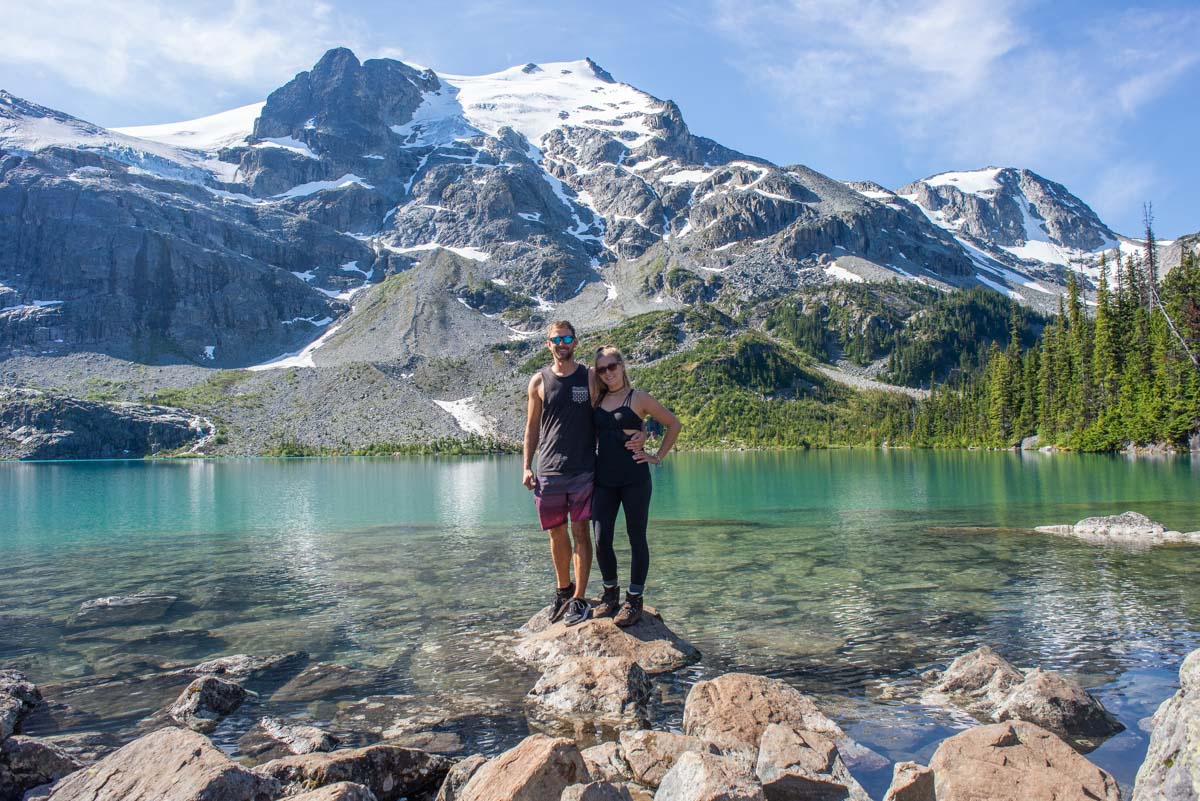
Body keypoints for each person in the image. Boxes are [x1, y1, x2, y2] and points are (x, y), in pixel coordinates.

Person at [523, 321, 644, 626]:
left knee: (580, 533)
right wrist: (526, 465)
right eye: (556, 339)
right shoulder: (538, 381)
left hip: (584, 470)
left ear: (575, 343)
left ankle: (579, 599)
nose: (562, 343)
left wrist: (643, 432)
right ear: (548, 344)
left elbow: (623, 401)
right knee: (555, 532)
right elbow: (532, 427)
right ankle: (562, 591)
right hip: (548, 469)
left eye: (567, 338)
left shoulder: (590, 376)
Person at [590, 345, 681, 627]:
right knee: (601, 538)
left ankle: (634, 600)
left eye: (612, 366)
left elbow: (673, 424)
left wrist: (656, 456)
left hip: (635, 478)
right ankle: (610, 595)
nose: (608, 373)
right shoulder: (596, 399)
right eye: (602, 369)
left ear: (622, 365)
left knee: (636, 537)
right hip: (603, 479)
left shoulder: (638, 398)